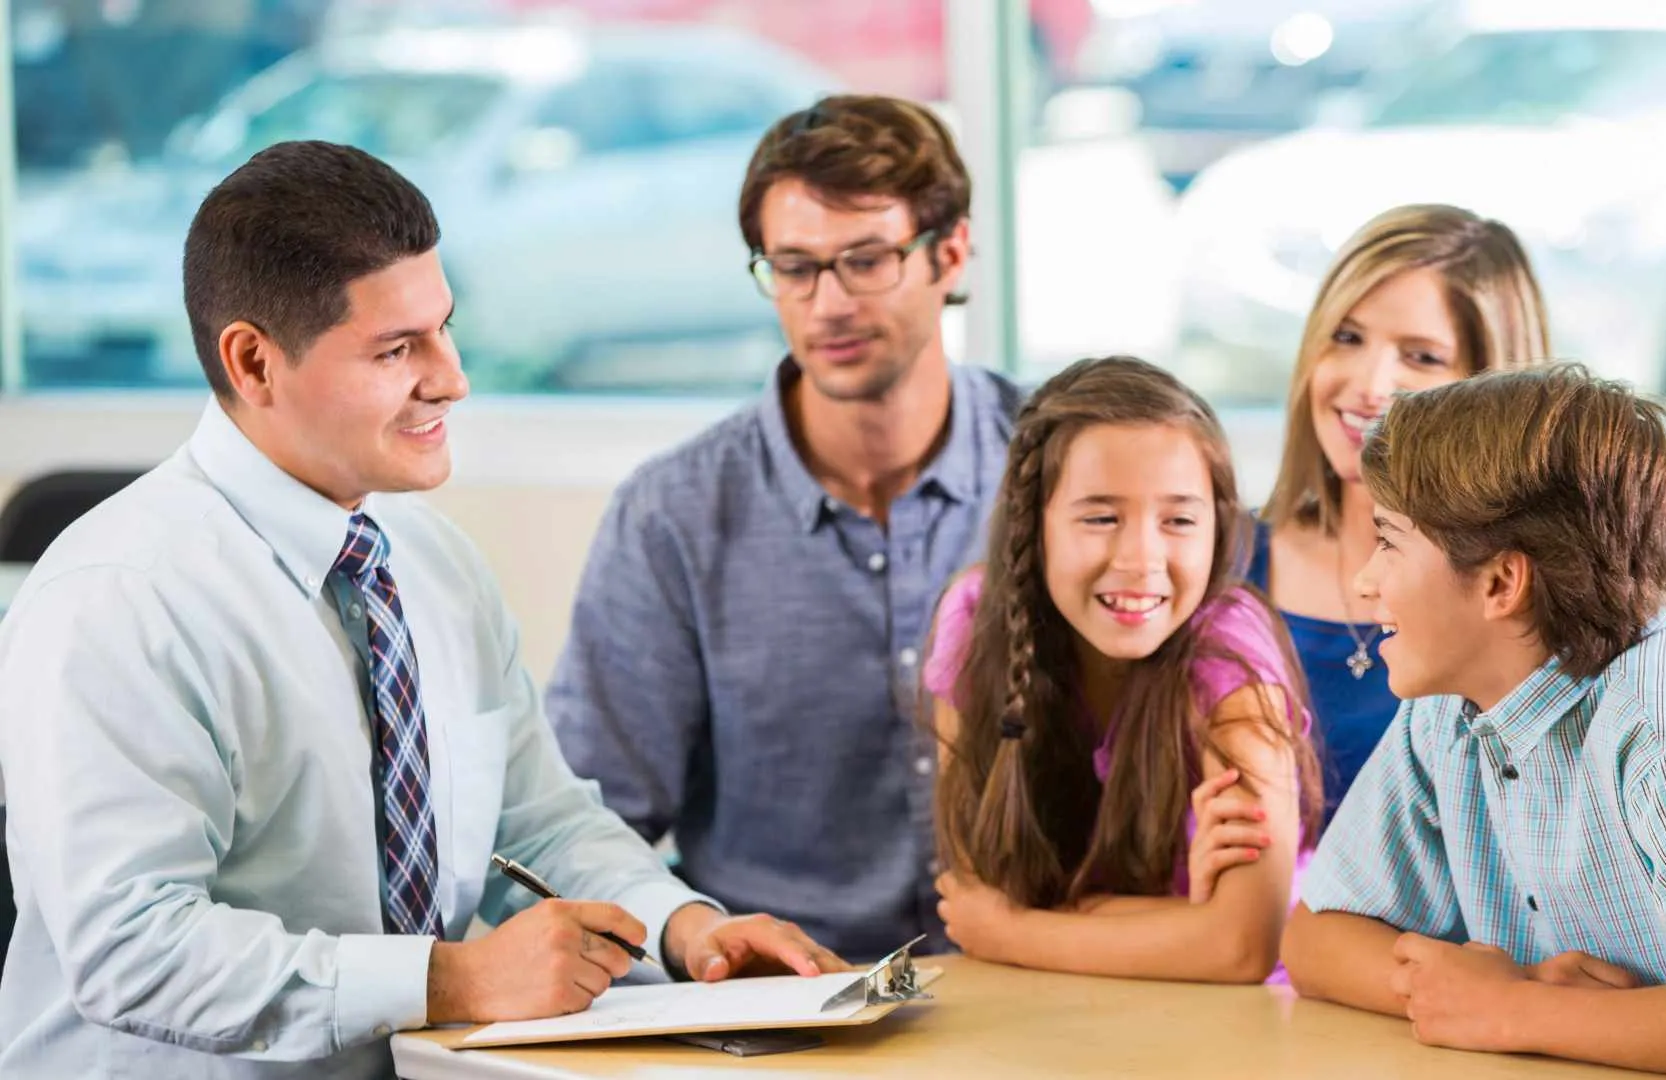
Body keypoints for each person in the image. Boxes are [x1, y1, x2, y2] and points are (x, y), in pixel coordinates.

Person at [0, 140, 842, 1080]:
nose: (451, 378)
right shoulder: (117, 599)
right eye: (397, 350)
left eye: (443, 329)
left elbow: (540, 826)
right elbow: (132, 951)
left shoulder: (433, 564)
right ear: (254, 362)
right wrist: (448, 980)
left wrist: (688, 933)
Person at [1281, 365, 1666, 1078]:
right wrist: (1475, 995)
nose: (1366, 579)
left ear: (1500, 584)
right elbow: (1315, 939)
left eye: (1390, 542)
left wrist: (1512, 1010)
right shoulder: (1446, 711)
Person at [546, 95, 1019, 962]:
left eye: (866, 260)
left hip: (1039, 981)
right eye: (794, 267)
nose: (827, 303)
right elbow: (584, 826)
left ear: (949, 253)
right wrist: (695, 944)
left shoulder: (1058, 472)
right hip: (777, 999)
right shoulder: (673, 517)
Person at [926, 355, 1321, 984]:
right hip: (1049, 1010)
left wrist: (1014, 929)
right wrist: (1178, 920)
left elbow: (1243, 948)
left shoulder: (1231, 645)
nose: (1142, 560)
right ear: (1034, 527)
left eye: (1179, 521)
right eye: (1101, 517)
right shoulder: (975, 621)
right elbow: (974, 894)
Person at [1248, 204, 1549, 820]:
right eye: (1347, 337)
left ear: (1493, 386)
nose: (1369, 382)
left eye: (1422, 357)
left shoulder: (1526, 602)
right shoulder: (1219, 558)